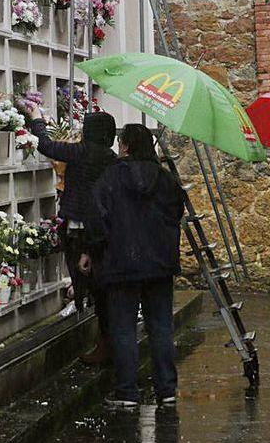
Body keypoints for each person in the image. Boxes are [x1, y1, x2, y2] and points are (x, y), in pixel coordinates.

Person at [93, 124, 185, 408]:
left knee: (123, 328)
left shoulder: (110, 178)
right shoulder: (166, 179)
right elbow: (176, 212)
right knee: (161, 327)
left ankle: (127, 392)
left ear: (127, 146)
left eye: (121, 143)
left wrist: (96, 251)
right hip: (159, 263)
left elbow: (98, 219)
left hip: (121, 263)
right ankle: (166, 389)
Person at [22, 102, 116, 365]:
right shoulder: (110, 158)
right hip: (100, 226)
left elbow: (47, 146)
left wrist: (36, 119)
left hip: (80, 225)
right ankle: (104, 337)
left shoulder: (82, 152)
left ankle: (103, 343)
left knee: (88, 278)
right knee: (99, 286)